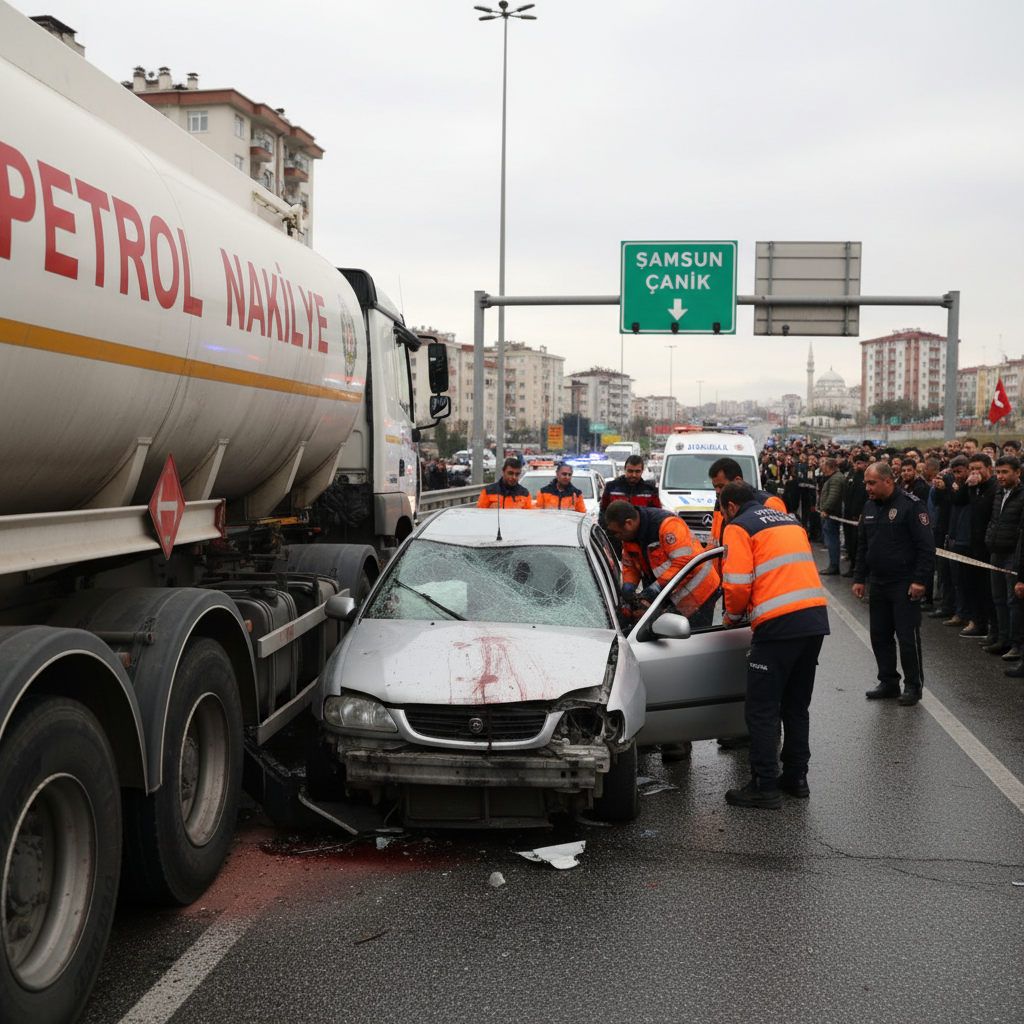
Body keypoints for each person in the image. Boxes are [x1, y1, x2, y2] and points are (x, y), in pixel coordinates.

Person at [719, 481, 829, 808]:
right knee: (795, 705)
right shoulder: (789, 520)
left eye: (723, 511)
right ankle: (796, 778)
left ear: (731, 507)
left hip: (778, 624)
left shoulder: (739, 527)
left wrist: (732, 616)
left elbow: (737, 585)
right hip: (813, 619)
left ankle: (764, 785)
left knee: (762, 710)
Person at [853, 463, 936, 706]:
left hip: (904, 582)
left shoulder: (911, 506)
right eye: (866, 483)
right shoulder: (869, 506)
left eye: (872, 483)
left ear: (888, 481)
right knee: (879, 635)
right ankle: (888, 681)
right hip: (878, 582)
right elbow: (863, 546)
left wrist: (920, 580)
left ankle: (913, 685)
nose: (867, 488)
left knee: (907, 637)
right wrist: (859, 578)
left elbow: (926, 547)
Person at [604, 500, 720, 629]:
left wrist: (657, 587)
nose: (617, 536)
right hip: (671, 590)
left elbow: (685, 563)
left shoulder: (668, 525)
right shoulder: (629, 535)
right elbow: (631, 565)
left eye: (617, 532)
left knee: (692, 639)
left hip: (700, 589)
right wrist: (628, 587)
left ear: (629, 523)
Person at [982, 455, 1024, 660]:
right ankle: (1003, 639)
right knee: (998, 599)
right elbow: (993, 519)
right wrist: (989, 538)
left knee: (1013, 602)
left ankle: (1016, 645)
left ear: (1017, 472)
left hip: (1012, 555)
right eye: (997, 472)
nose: (1000, 476)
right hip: (996, 553)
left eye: (1005, 472)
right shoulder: (999, 493)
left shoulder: (1022, 495)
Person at [960, 453, 998, 639]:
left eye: (978, 469)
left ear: (989, 469)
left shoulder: (994, 488)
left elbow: (985, 510)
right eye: (972, 469)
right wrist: (967, 485)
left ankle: (994, 630)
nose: (974, 473)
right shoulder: (974, 488)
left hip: (989, 546)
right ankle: (979, 623)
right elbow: (957, 501)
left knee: (990, 592)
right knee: (975, 587)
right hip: (973, 544)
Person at [818, 457, 846, 575]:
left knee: (832, 540)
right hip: (832, 512)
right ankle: (833, 564)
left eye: (824, 468)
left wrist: (826, 509)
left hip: (832, 513)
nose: (823, 471)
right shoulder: (835, 478)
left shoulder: (835, 479)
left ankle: (833, 565)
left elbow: (833, 496)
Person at [842, 455, 869, 578]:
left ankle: (859, 569)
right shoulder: (851, 477)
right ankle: (853, 566)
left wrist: (861, 513)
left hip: (859, 515)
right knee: (850, 542)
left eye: (860, 463)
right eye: (855, 463)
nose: (857, 466)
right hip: (848, 514)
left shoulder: (866, 479)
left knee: (858, 544)